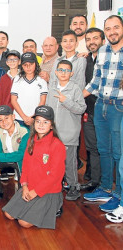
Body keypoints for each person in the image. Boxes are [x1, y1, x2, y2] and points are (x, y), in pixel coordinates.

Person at [83, 15, 123, 219]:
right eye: (108, 29)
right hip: (100, 105)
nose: (112, 32)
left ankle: (119, 194)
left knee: (119, 153)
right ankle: (106, 189)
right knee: (103, 150)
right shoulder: (104, 50)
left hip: (119, 108)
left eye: (116, 27)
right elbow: (96, 80)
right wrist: (78, 96)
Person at [2, 105, 66, 229]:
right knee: (8, 215)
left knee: (24, 223)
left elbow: (55, 176)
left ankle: (55, 207)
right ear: (34, 123)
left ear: (52, 125)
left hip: (48, 191)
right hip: (30, 187)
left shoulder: (57, 145)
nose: (41, 125)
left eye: (45, 122)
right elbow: (25, 165)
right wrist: (24, 186)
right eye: (38, 121)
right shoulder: (31, 140)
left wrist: (36, 192)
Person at [46, 60, 87, 201]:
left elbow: (81, 108)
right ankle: (57, 184)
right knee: (54, 162)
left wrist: (65, 100)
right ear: (56, 72)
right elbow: (48, 109)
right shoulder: (51, 88)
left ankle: (74, 186)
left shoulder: (75, 89)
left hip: (69, 133)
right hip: (53, 134)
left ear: (72, 73)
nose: (63, 73)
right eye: (61, 70)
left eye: (67, 70)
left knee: (69, 162)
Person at [0, 105, 29, 203]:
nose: (4, 122)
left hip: (21, 162)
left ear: (13, 117)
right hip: (6, 159)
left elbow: (21, 155)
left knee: (21, 193)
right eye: (0, 120)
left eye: (7, 118)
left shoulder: (24, 132)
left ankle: (20, 191)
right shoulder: (0, 131)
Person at [80, 28, 105, 192]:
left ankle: (106, 183)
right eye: (88, 39)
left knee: (106, 149)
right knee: (92, 147)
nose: (91, 42)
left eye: (95, 38)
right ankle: (96, 181)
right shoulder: (85, 60)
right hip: (88, 109)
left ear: (103, 40)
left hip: (105, 110)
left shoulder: (108, 59)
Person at [11, 52, 48, 127]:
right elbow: (13, 100)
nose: (28, 67)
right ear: (22, 66)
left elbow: (42, 101)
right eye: (25, 65)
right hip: (19, 118)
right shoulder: (17, 79)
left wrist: (33, 117)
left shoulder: (41, 80)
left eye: (31, 64)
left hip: (36, 119)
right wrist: (24, 117)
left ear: (36, 64)